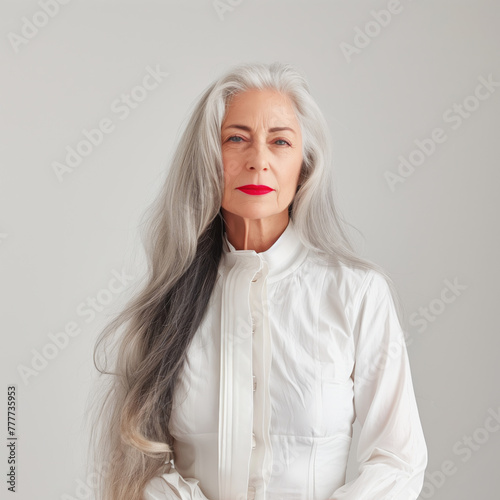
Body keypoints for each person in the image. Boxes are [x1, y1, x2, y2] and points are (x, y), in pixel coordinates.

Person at [87, 62, 427, 500]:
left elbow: (397, 461)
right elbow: (140, 463)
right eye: (236, 139)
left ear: (304, 166)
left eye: (280, 141)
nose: (258, 161)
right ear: (209, 158)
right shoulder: (167, 303)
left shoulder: (358, 293)